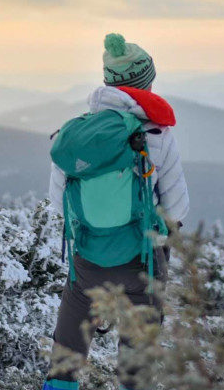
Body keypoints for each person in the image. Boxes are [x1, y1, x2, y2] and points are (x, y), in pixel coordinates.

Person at [44, 33, 190, 390]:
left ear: (108, 82)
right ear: (145, 83)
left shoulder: (78, 136)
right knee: (136, 364)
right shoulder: (156, 133)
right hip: (142, 260)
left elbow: (56, 200)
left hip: (89, 259)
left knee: (68, 350)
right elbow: (177, 208)